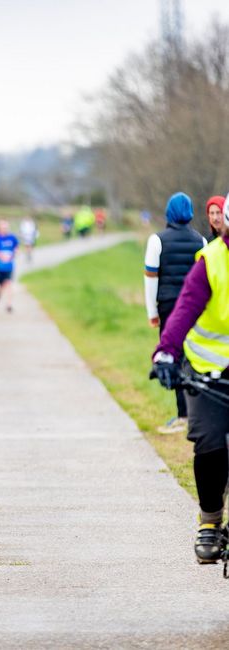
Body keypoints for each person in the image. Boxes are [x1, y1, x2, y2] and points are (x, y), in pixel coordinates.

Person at [151, 192, 229, 564]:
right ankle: (210, 522)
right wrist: (167, 351)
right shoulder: (211, 260)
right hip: (209, 372)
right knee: (210, 444)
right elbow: (184, 311)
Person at [144, 192, 206, 434]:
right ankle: (196, 413)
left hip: (169, 305)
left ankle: (183, 414)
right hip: (195, 307)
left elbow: (150, 279)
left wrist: (152, 312)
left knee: (174, 357)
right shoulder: (200, 240)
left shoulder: (157, 240)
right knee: (194, 356)